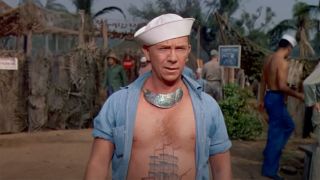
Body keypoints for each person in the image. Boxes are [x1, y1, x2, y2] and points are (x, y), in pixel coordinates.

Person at [85, 13, 232, 180]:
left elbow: (222, 171)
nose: (172, 58)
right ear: (147, 52)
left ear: (187, 52)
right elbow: (98, 165)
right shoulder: (117, 105)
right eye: (163, 48)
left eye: (180, 48)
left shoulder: (208, 108)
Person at [259, 34, 304, 180]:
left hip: (269, 97)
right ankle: (270, 170)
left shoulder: (268, 59)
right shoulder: (282, 62)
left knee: (288, 126)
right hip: (277, 97)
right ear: (289, 47)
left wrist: (261, 101)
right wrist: (299, 95)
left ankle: (270, 151)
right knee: (276, 135)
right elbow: (282, 86)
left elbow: (263, 82)